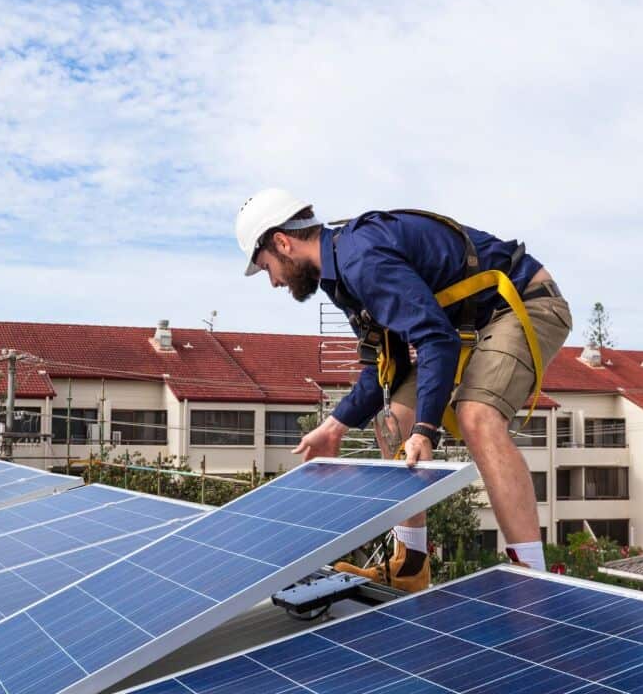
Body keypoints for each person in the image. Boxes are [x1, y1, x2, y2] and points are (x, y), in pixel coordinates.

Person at [236, 188, 572, 591]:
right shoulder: (341, 275)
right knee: (394, 421)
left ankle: (532, 580)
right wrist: (335, 426)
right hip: (464, 326)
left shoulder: (361, 259)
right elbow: (386, 367)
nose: (273, 281)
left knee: (476, 416)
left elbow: (435, 339)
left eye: (267, 267)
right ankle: (410, 566)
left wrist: (425, 430)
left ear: (282, 242)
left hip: (524, 302)